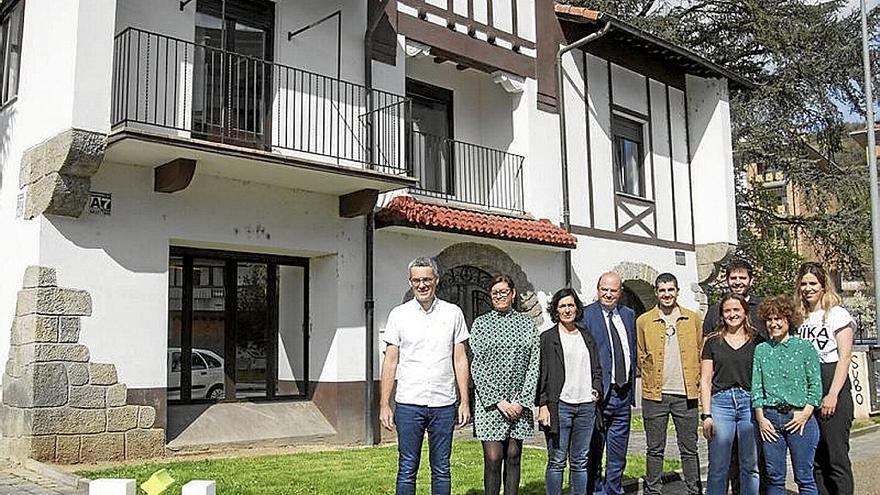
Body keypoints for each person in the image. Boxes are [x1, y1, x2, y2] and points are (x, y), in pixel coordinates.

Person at [379, 257, 471, 495]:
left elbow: (460, 359)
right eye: (417, 280)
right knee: (407, 468)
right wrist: (384, 405)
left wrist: (464, 401)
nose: (422, 285)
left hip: (444, 402)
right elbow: (390, 361)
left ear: (436, 280)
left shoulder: (453, 313)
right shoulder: (398, 315)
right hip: (409, 402)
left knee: (441, 468)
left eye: (427, 280)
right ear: (410, 282)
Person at [470, 274, 540, 495]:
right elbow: (477, 365)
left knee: (513, 456)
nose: (499, 296)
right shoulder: (480, 324)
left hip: (518, 401)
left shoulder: (527, 324)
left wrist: (521, 401)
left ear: (513, 294)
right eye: (495, 293)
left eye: (503, 292)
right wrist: (499, 401)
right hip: (490, 404)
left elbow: (534, 364)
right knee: (493, 458)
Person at [636, 272, 703, 495]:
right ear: (656, 292)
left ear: (677, 292)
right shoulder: (644, 321)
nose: (666, 294)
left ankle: (694, 489)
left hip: (686, 395)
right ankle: (653, 490)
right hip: (655, 395)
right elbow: (640, 354)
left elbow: (701, 351)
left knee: (689, 448)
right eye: (662, 290)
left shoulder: (692, 319)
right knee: (655, 449)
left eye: (670, 290)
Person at [794, 262, 856, 495]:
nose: (807, 288)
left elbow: (845, 356)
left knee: (836, 457)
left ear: (823, 286)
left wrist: (832, 394)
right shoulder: (800, 317)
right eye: (803, 284)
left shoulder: (837, 314)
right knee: (815, 458)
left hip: (832, 383)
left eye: (813, 283)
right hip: (808, 387)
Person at [753, 295, 822, 495]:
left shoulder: (804, 348)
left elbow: (815, 385)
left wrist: (806, 413)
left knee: (804, 476)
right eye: (769, 320)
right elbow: (757, 387)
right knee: (775, 478)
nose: (774, 324)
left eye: (778, 319)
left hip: (800, 417)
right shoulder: (762, 350)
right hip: (771, 419)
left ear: (788, 320)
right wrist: (760, 418)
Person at [537, 288, 603, 495]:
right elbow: (542, 374)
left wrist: (596, 390)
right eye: (563, 306)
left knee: (580, 462)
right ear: (556, 310)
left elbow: (596, 368)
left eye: (571, 305)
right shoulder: (548, 338)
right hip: (560, 406)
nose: (567, 310)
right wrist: (543, 404)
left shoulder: (586, 336)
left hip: (585, 406)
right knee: (557, 460)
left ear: (577, 308)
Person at [579, 272, 637, 495]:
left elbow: (630, 349)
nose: (608, 294)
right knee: (594, 451)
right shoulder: (587, 315)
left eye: (613, 290)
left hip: (622, 393)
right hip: (599, 395)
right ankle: (595, 491)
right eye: (604, 289)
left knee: (618, 453)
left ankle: (614, 490)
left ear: (620, 292)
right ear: (598, 290)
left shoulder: (629, 315)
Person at [701, 294, 760, 495]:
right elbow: (705, 380)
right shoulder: (712, 342)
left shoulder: (756, 340)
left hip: (749, 402)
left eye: (736, 310)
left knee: (750, 465)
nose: (732, 314)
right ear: (721, 314)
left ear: (745, 312)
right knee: (718, 465)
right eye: (727, 310)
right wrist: (706, 415)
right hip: (721, 404)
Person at [703, 260, 768, 341]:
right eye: (733, 278)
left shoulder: (764, 307)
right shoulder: (715, 310)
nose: (737, 282)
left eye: (742, 278)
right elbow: (706, 340)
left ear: (751, 281)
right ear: (727, 280)